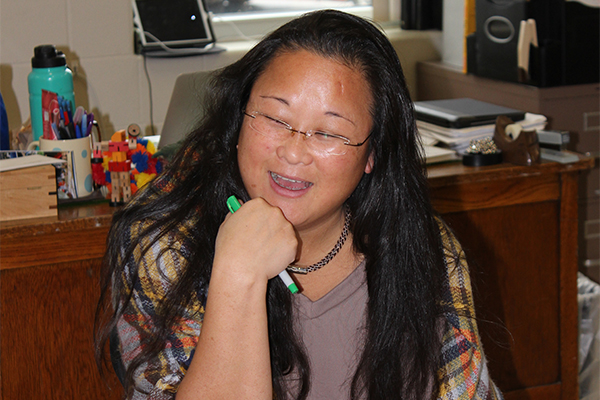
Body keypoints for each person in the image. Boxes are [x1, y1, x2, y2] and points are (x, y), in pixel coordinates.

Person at [95, 9, 504, 400]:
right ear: (239, 119)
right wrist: (238, 274)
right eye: (274, 118)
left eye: (329, 133)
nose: (293, 153)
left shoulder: (425, 247)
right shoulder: (164, 243)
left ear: (372, 155)